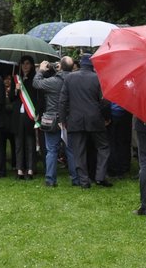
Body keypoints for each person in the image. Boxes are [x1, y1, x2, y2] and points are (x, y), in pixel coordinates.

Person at [61, 55, 109, 188]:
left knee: (79, 151)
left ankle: (84, 181)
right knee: (103, 147)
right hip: (95, 118)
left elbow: (63, 101)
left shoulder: (69, 78)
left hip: (75, 119)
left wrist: (62, 119)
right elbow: (105, 101)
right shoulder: (97, 78)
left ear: (81, 64)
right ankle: (100, 176)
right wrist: (105, 117)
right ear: (92, 65)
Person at [32, 58, 69, 187]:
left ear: (61, 67)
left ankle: (50, 179)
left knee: (51, 150)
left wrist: (41, 70)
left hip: (52, 118)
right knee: (71, 150)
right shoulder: (73, 79)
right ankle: (77, 178)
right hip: (69, 119)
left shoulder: (54, 81)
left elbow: (36, 83)